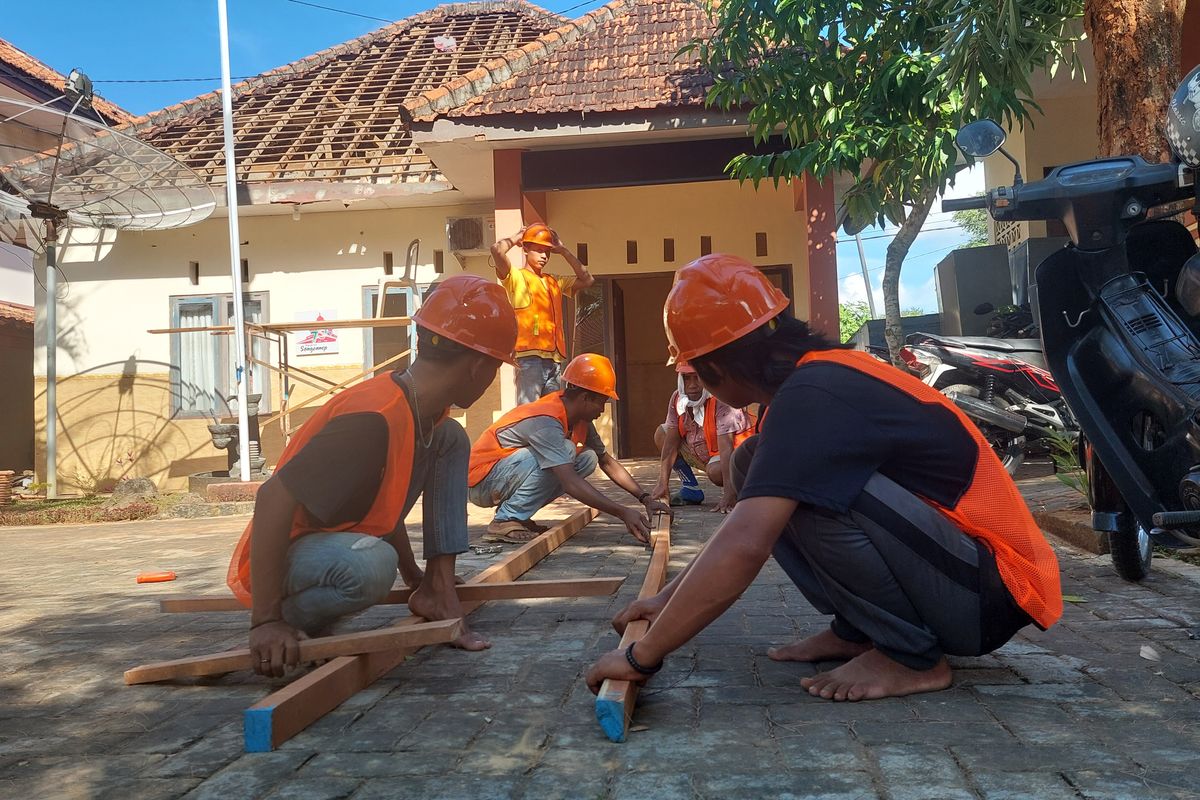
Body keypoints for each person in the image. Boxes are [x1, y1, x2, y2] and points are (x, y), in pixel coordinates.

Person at [586, 254, 1062, 703]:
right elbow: (741, 529)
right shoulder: (813, 385)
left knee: (807, 490)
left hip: (990, 594)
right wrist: (665, 600)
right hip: (960, 575)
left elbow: (746, 543)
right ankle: (859, 631)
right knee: (753, 460)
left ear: (714, 370)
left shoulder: (815, 394)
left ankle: (910, 656)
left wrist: (641, 657)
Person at [229, 274, 518, 676]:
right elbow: (272, 498)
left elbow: (383, 510)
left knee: (451, 438)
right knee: (371, 567)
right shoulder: (371, 420)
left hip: (336, 541)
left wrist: (416, 577)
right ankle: (287, 622)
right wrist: (265, 620)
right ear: (477, 367)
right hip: (293, 555)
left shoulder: (424, 414)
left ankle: (439, 588)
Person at [468, 353, 672, 543]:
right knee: (564, 452)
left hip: (507, 473)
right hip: (483, 481)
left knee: (588, 457)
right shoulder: (546, 420)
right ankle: (506, 519)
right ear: (585, 398)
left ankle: (517, 516)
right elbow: (569, 482)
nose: (602, 410)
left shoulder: (580, 419)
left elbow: (606, 461)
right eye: (601, 403)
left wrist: (644, 498)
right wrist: (622, 512)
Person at [490, 222, 594, 404]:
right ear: (526, 249)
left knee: (551, 413)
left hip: (554, 360)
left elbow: (587, 279)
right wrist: (517, 237)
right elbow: (496, 250)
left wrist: (563, 250)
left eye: (547, 251)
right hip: (529, 359)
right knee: (529, 413)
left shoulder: (553, 281)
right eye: (538, 250)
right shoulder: (516, 277)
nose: (544, 255)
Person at [651, 360, 753, 513]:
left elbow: (727, 448)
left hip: (737, 458)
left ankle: (738, 490)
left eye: (697, 377)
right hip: (701, 451)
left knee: (715, 472)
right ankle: (690, 488)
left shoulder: (720, 398)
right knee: (662, 433)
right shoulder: (677, 398)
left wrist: (728, 495)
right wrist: (662, 483)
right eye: (686, 378)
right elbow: (671, 442)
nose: (692, 385)